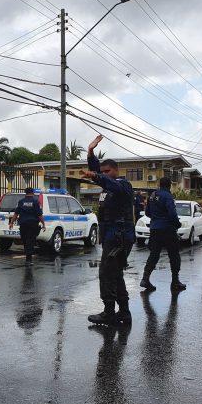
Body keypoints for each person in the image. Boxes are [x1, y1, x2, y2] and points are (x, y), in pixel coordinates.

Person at [80, 134, 134, 326]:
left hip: (119, 236)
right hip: (111, 235)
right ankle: (124, 312)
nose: (104, 174)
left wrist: (96, 175)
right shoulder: (106, 183)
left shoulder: (123, 185)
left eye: (108, 171)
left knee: (106, 273)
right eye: (102, 171)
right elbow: (100, 175)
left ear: (116, 171)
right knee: (115, 273)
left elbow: (106, 180)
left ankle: (109, 312)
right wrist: (90, 152)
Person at [140, 177, 186, 292]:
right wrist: (177, 224)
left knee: (154, 254)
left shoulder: (152, 195)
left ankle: (145, 279)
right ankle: (175, 282)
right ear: (170, 185)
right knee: (174, 255)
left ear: (159, 184)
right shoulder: (168, 196)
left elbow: (147, 212)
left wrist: (157, 219)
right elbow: (172, 214)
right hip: (168, 229)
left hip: (155, 229)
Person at [9, 187, 46, 264]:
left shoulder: (21, 202)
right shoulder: (35, 202)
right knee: (31, 241)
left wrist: (11, 222)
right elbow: (39, 215)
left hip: (23, 224)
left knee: (25, 240)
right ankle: (29, 259)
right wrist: (43, 223)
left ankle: (27, 257)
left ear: (25, 193)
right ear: (32, 192)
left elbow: (16, 214)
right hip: (33, 224)